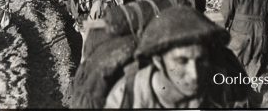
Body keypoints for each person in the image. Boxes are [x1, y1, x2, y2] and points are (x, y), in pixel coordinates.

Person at [105, 7, 250, 108]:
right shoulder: (126, 97)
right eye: (182, 61)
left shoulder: (221, 88)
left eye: (201, 60)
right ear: (158, 61)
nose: (194, 74)